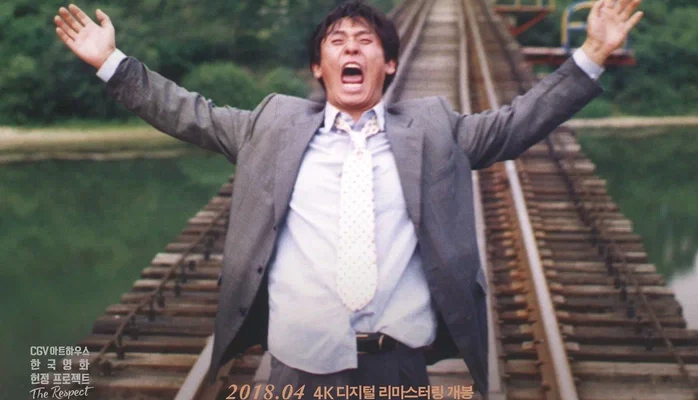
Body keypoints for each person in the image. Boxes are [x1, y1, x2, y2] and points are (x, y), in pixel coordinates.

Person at [54, 0, 642, 397]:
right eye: (337, 42)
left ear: (389, 64)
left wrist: (591, 53)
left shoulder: (435, 128)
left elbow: (518, 123)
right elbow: (189, 113)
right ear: (320, 66)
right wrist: (112, 63)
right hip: (298, 364)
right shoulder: (272, 124)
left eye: (365, 41)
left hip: (398, 364)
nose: (351, 49)